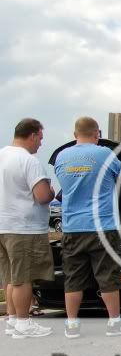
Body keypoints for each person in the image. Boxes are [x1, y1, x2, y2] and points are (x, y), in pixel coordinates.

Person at [54, 116, 121, 338]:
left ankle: (71, 325)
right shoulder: (104, 155)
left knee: (73, 278)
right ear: (97, 133)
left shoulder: (62, 157)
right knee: (107, 275)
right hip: (102, 226)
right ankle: (114, 322)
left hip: (72, 227)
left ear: (74, 135)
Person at [0, 118, 55, 338]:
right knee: (24, 277)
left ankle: (13, 319)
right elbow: (42, 196)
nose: (40, 144)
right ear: (32, 135)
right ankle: (24, 321)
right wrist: (51, 190)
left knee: (11, 276)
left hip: (3, 225)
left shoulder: (2, 155)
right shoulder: (28, 161)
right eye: (40, 138)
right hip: (24, 228)